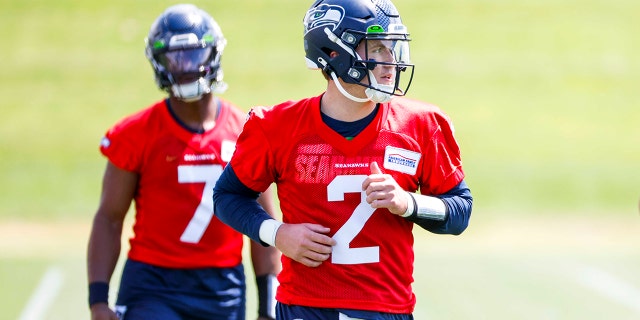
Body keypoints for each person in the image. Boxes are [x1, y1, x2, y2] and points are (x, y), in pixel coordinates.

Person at [212, 0, 473, 319]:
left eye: (392, 48)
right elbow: (227, 195)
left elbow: (460, 211)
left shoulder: (421, 125)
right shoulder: (277, 127)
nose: (390, 61)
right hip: (304, 308)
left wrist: (408, 203)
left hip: (385, 309)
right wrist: (276, 233)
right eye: (375, 48)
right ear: (332, 53)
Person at [86, 4, 280, 320]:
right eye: (175, 58)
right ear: (157, 63)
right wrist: (97, 300)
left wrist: (267, 308)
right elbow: (109, 218)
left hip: (222, 287)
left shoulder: (246, 132)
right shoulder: (135, 134)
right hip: (152, 285)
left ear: (214, 55)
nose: (186, 67)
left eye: (194, 55)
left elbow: (264, 226)